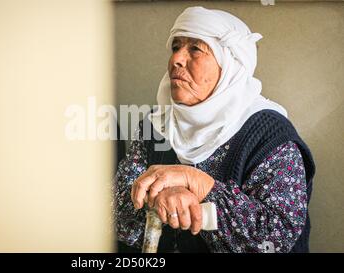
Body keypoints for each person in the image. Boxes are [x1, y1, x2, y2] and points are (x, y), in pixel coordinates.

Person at [113, 6, 315, 253]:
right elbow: (116, 214)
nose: (176, 58)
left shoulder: (269, 135)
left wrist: (200, 187)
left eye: (195, 49)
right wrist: (159, 196)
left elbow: (277, 234)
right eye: (176, 47)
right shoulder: (156, 125)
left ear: (229, 65)